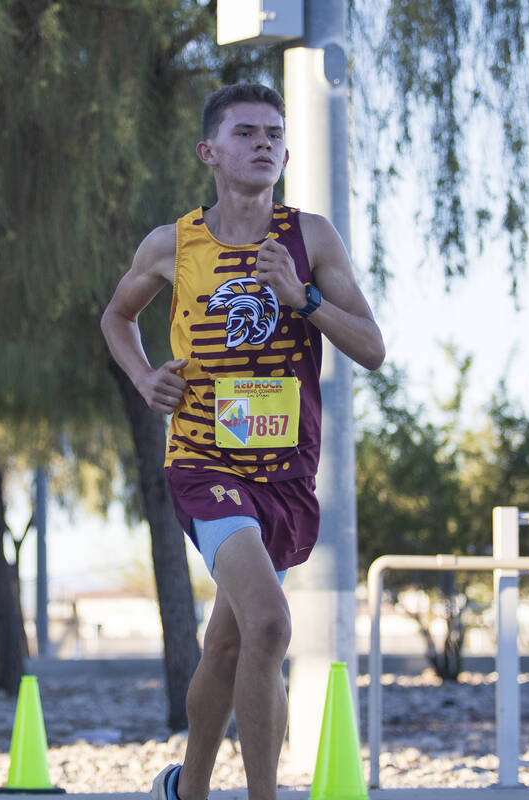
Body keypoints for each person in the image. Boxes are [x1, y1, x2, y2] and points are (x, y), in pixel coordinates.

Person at [100, 84, 385, 800]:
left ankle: (185, 789)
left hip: (286, 474)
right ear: (210, 153)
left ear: (287, 154)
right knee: (270, 622)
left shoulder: (311, 237)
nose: (264, 144)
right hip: (203, 460)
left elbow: (374, 348)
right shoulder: (172, 243)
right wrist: (143, 380)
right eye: (246, 133)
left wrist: (305, 299)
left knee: (231, 644)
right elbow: (117, 316)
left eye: (275, 135)